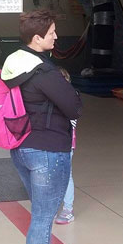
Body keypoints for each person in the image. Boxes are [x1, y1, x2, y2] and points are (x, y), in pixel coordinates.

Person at [0, 9, 82, 244]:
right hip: (47, 150)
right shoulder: (44, 71)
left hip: (21, 147)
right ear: (37, 38)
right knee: (43, 218)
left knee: (40, 211)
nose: (56, 37)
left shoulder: (13, 64)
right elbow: (73, 107)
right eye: (51, 33)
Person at [55, 67, 77, 225]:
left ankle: (68, 209)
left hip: (66, 143)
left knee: (66, 176)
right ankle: (54, 206)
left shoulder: (71, 98)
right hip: (53, 143)